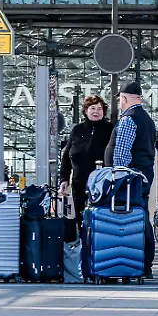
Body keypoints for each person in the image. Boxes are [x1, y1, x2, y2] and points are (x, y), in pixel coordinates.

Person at [104, 81, 158, 277]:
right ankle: (144, 263)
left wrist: (118, 178)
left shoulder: (129, 119)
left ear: (124, 98)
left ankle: (135, 262)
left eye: (120, 99)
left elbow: (121, 154)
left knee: (132, 218)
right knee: (141, 216)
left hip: (129, 180)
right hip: (142, 176)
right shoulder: (147, 119)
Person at [59, 95, 116, 235]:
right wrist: (64, 179)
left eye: (99, 109)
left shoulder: (111, 130)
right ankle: (84, 243)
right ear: (85, 110)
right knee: (80, 217)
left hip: (102, 184)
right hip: (79, 183)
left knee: (101, 217)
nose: (96, 111)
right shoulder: (77, 130)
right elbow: (66, 157)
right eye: (93, 108)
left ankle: (99, 243)